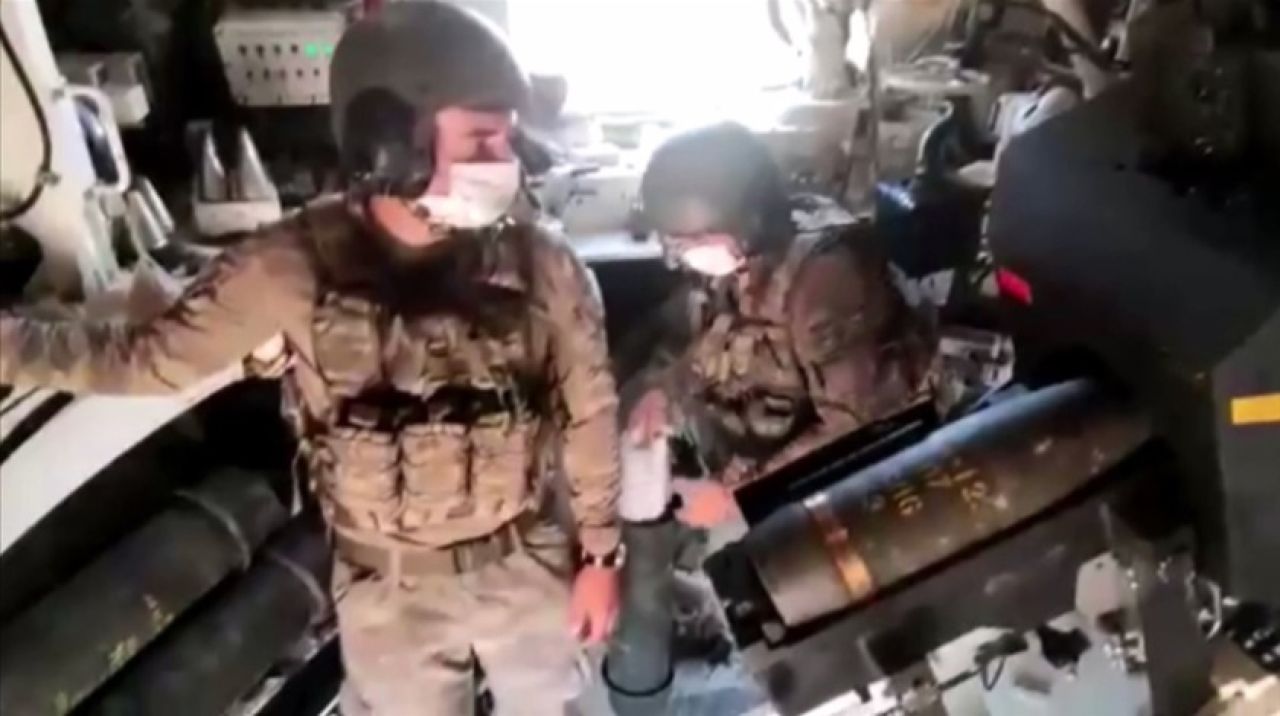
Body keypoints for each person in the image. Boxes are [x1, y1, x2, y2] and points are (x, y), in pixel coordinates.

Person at [0, 4, 622, 715]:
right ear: (391, 145)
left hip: (525, 563)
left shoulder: (543, 264)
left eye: (506, 139)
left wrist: (601, 556)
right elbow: (149, 359)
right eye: (481, 140)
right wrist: (10, 348)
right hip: (390, 593)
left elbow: (591, 413)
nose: (503, 164)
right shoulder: (290, 266)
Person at [620, 122, 934, 527]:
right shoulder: (737, 259)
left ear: (746, 224)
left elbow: (853, 425)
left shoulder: (824, 285)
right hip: (766, 430)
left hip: (848, 469)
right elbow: (711, 336)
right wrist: (666, 391)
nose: (682, 258)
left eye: (692, 244)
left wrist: (737, 497)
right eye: (676, 245)